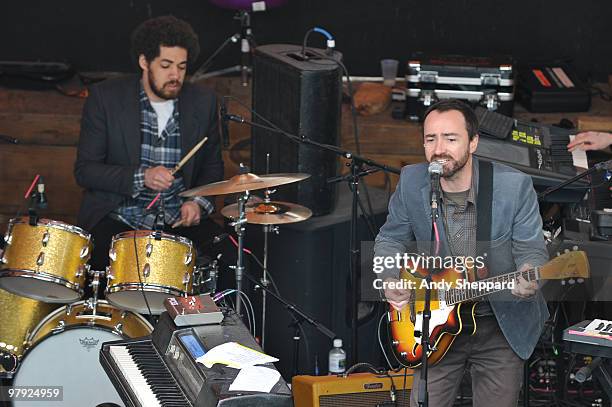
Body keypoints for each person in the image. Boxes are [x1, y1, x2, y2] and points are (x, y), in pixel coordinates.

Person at [374, 99, 549, 407]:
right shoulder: (413, 180)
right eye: (431, 139)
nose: (439, 148)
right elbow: (390, 239)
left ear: (474, 142)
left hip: (499, 325)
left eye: (451, 138)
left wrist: (529, 276)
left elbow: (532, 249)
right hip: (433, 326)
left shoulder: (513, 187)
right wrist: (389, 278)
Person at [74, 15, 224, 272]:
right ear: (144, 61)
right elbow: (85, 171)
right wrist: (141, 176)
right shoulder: (106, 99)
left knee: (231, 259)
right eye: (166, 65)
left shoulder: (203, 102)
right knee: (99, 268)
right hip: (119, 218)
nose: (175, 75)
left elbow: (213, 169)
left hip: (178, 221)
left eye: (182, 66)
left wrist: (198, 203)